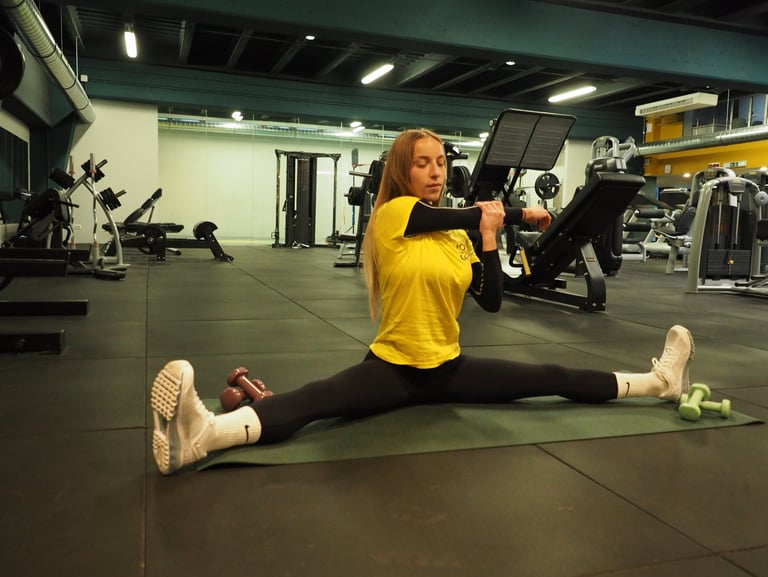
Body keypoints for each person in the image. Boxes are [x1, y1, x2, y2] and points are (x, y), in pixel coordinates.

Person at [150, 128, 695, 475]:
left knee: (552, 376)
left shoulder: (459, 235)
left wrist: (490, 237)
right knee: (314, 401)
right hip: (393, 367)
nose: (435, 172)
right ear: (402, 172)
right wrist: (510, 213)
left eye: (440, 163)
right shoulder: (394, 215)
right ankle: (203, 436)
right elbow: (455, 214)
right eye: (422, 163)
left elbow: (492, 301)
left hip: (449, 368)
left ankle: (659, 383)